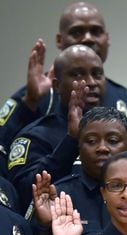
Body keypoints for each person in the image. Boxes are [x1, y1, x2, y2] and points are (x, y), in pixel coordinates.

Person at [0, 2, 127, 159]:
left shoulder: (125, 98)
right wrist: (30, 102)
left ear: (107, 39)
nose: (87, 39)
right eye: (77, 31)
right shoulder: (35, 94)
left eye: (95, 31)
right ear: (60, 40)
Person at [8, 45, 106, 213]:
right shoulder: (35, 136)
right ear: (56, 85)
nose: (91, 82)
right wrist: (70, 141)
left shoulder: (115, 131)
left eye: (97, 74)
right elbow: (23, 193)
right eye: (78, 74)